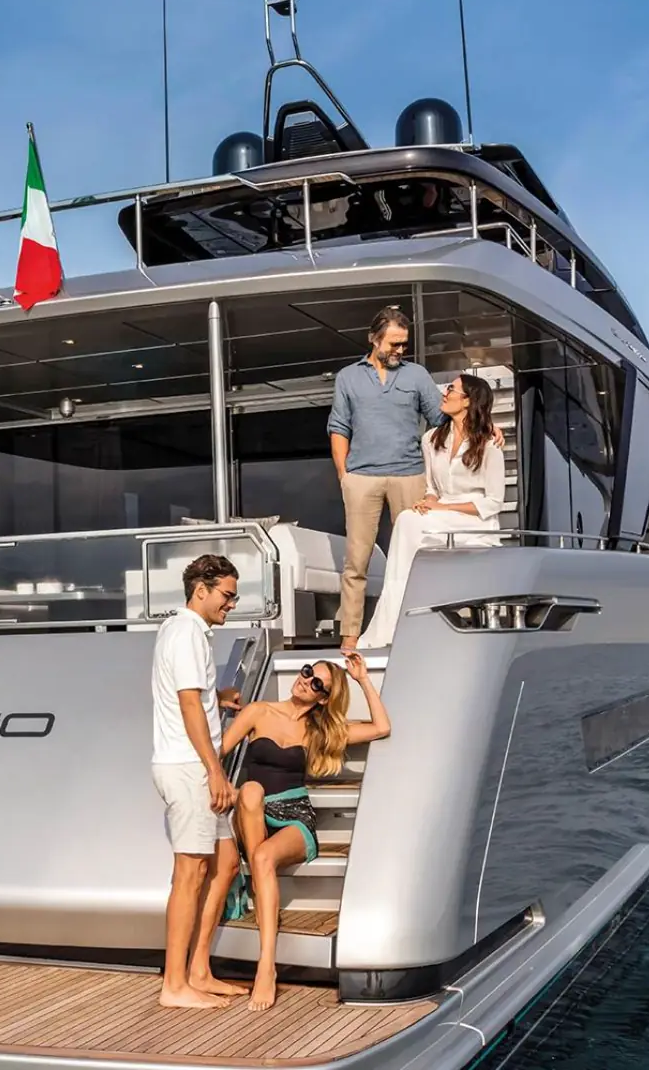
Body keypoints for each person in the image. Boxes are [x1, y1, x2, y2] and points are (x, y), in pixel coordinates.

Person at [220, 651, 391, 1009]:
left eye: (317, 684)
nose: (305, 680)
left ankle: (266, 967)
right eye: (307, 671)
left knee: (263, 857)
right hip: (253, 810)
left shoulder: (320, 730)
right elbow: (215, 752)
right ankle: (261, 886)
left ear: (323, 698)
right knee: (250, 791)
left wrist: (362, 679)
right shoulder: (258, 712)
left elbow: (381, 728)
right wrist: (215, 702)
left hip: (294, 814)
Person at [150, 553, 248, 1007]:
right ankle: (174, 986)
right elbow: (188, 704)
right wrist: (214, 770)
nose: (232, 603)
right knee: (189, 874)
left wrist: (217, 697)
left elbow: (194, 698)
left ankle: (199, 971)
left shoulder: (181, 630)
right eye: (227, 595)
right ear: (201, 590)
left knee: (225, 863)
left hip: (193, 764)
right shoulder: (187, 632)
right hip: (190, 767)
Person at [327, 304, 444, 653]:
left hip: (410, 476)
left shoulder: (416, 375)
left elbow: (442, 418)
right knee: (356, 561)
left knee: (417, 558)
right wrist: (344, 474)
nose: (400, 350)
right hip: (361, 479)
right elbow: (339, 426)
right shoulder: (348, 377)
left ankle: (418, 629)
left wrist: (483, 427)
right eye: (394, 343)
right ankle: (350, 636)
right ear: (373, 339)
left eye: (404, 344)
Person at [359, 374, 507, 649]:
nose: (444, 393)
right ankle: (400, 618)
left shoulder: (489, 444)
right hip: (441, 517)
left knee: (408, 523)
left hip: (476, 521)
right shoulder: (431, 439)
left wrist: (442, 507)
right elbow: (432, 488)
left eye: (451, 389)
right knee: (408, 520)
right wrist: (427, 502)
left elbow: (494, 502)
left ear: (468, 401)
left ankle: (401, 622)